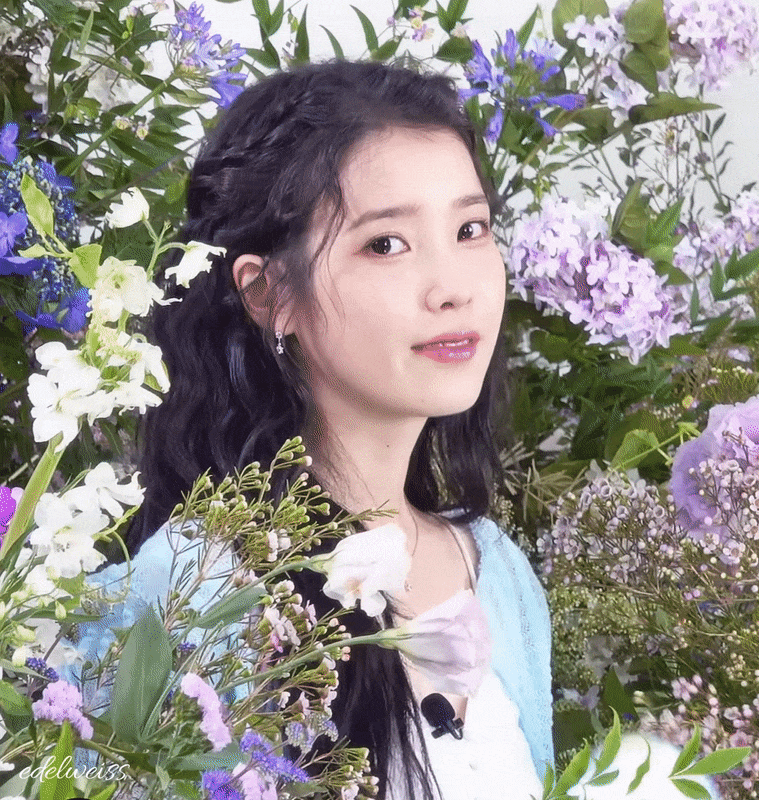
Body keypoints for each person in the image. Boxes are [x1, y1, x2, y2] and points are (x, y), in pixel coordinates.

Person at [89, 60, 554, 800]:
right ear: (268, 293)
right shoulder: (195, 587)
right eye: (386, 244)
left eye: (470, 229)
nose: (454, 288)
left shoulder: (496, 573)